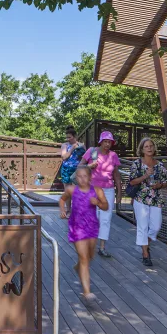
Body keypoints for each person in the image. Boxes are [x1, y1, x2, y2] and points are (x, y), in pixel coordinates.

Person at [59, 165, 109, 303]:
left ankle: (78, 266)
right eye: (79, 176)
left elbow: (106, 206)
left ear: (90, 177)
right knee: (84, 258)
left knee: (89, 255)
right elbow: (62, 199)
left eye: (84, 176)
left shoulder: (97, 190)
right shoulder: (71, 189)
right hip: (77, 226)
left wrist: (98, 203)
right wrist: (62, 210)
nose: (81, 179)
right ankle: (87, 292)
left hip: (92, 226)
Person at [81, 130, 122, 258]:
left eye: (109, 142)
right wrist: (89, 166)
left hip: (108, 190)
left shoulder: (113, 156)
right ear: (100, 142)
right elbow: (79, 167)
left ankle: (102, 247)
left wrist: (119, 192)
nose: (107, 144)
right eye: (105, 141)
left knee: (106, 218)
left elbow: (116, 175)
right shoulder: (91, 152)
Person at [128, 137, 167, 267]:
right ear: (142, 149)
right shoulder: (137, 164)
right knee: (143, 227)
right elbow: (132, 181)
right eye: (146, 146)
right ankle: (145, 254)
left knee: (156, 226)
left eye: (151, 146)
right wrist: (145, 176)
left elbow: (165, 182)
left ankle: (145, 244)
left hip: (156, 198)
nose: (149, 148)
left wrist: (159, 185)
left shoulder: (159, 165)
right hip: (141, 198)